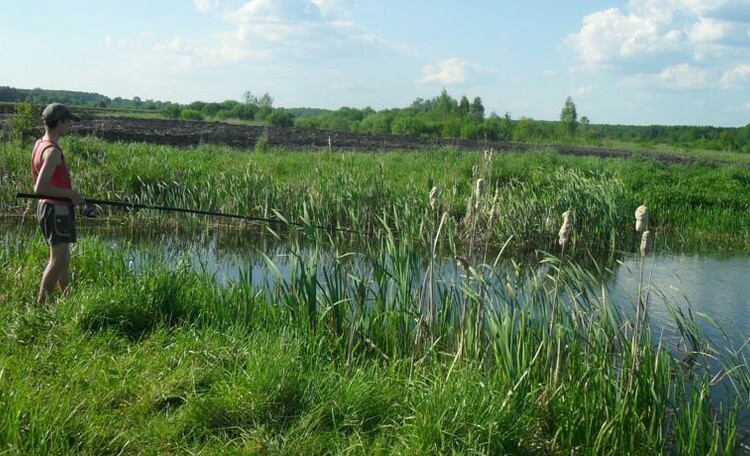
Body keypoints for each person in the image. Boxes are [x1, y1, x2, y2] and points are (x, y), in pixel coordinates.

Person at [31, 103, 85, 304]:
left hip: (51, 208)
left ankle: (68, 300)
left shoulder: (40, 144)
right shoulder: (52, 151)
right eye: (68, 121)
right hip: (57, 209)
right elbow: (41, 187)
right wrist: (70, 194)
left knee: (64, 259)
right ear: (60, 122)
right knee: (58, 260)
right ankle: (40, 306)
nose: (70, 125)